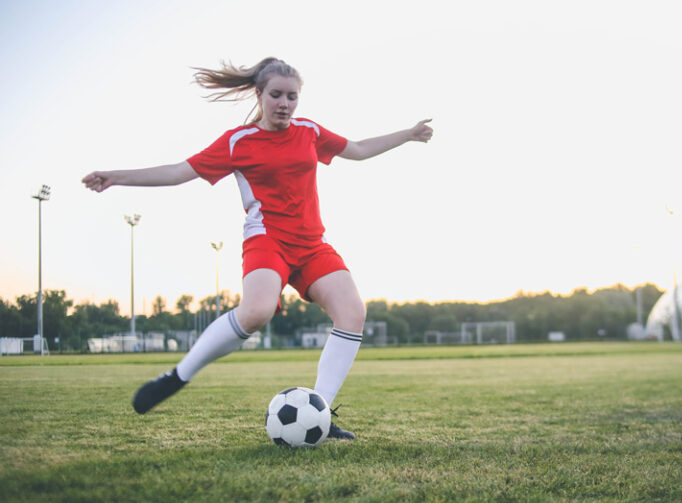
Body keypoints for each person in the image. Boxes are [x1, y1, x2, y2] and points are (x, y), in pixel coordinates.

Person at [82, 57, 433, 440]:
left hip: (313, 244)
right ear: (260, 95)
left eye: (292, 96)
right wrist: (115, 177)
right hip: (267, 240)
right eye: (276, 95)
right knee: (256, 312)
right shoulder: (238, 141)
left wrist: (408, 134)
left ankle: (321, 412)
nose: (284, 103)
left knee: (352, 313)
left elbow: (359, 149)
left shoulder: (309, 131)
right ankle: (177, 376)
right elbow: (178, 172)